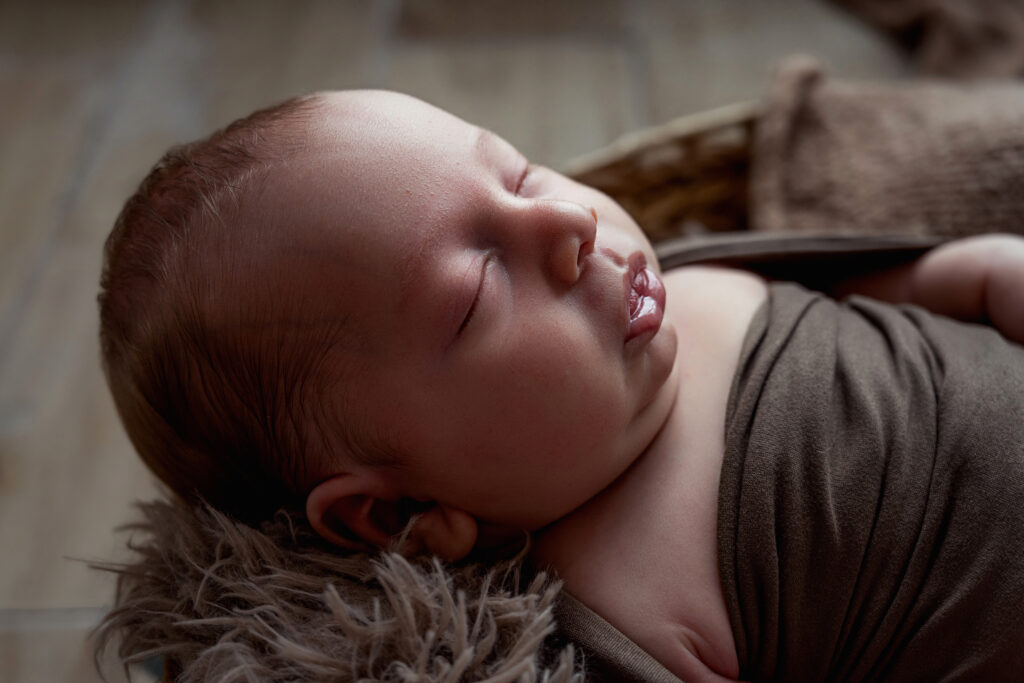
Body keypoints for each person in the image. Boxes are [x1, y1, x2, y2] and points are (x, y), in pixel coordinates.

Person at [98, 90, 1024, 681]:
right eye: (479, 288)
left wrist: (992, 274)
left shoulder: (683, 282)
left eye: (520, 171)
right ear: (399, 515)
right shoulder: (623, 608)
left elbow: (933, 280)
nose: (570, 219)